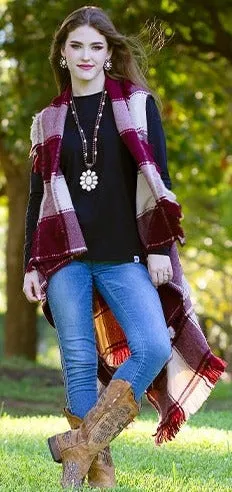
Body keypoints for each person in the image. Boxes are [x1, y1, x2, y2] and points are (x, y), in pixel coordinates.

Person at [22, 6, 226, 490]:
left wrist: (158, 247)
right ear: (63, 54)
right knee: (76, 361)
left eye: (97, 46)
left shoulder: (137, 105)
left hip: (124, 256)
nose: (86, 55)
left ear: (109, 53)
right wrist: (33, 262)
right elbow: (37, 198)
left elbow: (158, 179)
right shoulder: (48, 120)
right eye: (76, 46)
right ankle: (97, 475)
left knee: (152, 344)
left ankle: (82, 441)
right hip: (66, 257)